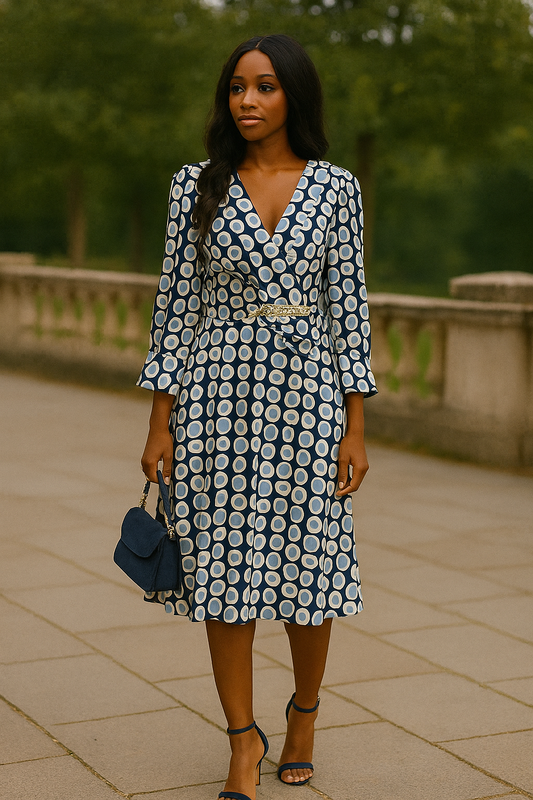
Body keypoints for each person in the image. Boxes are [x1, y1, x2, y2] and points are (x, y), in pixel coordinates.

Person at [139, 33, 376, 800]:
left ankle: (303, 713)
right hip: (215, 400)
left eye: (265, 86)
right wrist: (160, 419)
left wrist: (355, 426)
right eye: (237, 87)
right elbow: (175, 307)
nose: (247, 100)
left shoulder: (335, 188)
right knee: (223, 571)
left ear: (292, 96)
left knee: (312, 567)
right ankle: (241, 741)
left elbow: (349, 309)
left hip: (308, 397)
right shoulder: (194, 185)